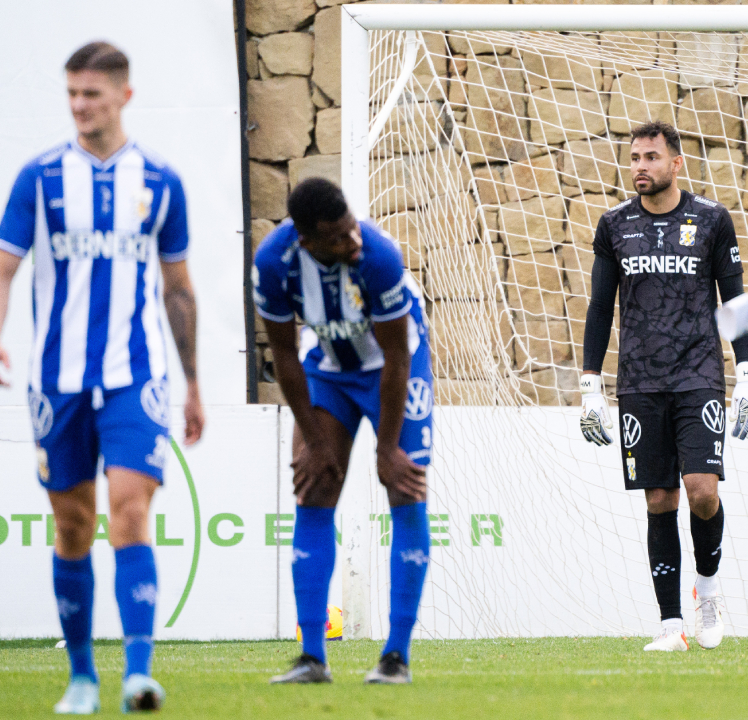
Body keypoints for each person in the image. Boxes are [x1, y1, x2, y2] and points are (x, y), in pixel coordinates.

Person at [0, 42, 204, 713]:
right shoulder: (39, 178)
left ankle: (138, 674)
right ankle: (82, 677)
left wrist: (193, 381)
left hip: (133, 376)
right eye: (72, 94)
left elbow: (178, 288)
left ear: (123, 96)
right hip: (56, 378)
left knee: (130, 512)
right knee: (73, 527)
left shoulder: (160, 181)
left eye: (92, 93)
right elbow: (5, 267)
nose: (80, 105)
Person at [580, 120, 748, 652]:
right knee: (659, 499)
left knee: (702, 491)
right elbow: (599, 307)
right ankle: (670, 626)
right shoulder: (614, 224)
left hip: (699, 375)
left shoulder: (711, 220)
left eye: (651, 157)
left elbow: (733, 301)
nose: (640, 166)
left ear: (675, 163)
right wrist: (591, 384)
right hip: (639, 380)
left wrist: (746, 372)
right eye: (634, 157)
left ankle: (708, 591)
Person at [254, 177, 431, 685]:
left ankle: (395, 657)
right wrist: (310, 437)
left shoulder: (378, 256)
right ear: (306, 239)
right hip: (327, 368)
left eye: (352, 226)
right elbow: (284, 356)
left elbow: (396, 359)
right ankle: (312, 658)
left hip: (396, 369)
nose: (352, 239)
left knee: (403, 487)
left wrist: (388, 448)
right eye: (337, 236)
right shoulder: (273, 262)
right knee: (314, 489)